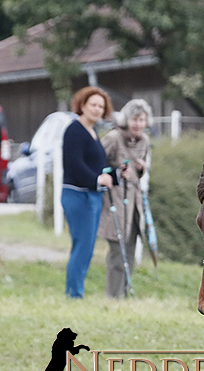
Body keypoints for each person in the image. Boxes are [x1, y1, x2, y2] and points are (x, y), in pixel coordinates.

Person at [61, 86, 116, 298]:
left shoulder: (93, 132)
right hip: (77, 195)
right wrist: (96, 179)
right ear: (82, 105)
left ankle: (76, 291)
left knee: (87, 247)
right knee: (82, 247)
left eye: (101, 107)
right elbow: (74, 165)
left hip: (92, 195)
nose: (97, 109)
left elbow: (98, 167)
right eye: (93, 104)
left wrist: (117, 175)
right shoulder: (74, 130)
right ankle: (74, 294)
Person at [99, 99, 152, 298]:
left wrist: (140, 169)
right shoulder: (113, 138)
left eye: (141, 120)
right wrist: (116, 173)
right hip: (114, 202)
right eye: (134, 119)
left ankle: (124, 294)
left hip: (134, 204)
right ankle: (113, 297)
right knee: (116, 251)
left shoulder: (145, 141)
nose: (138, 124)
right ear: (126, 120)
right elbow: (97, 164)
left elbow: (139, 173)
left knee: (129, 250)